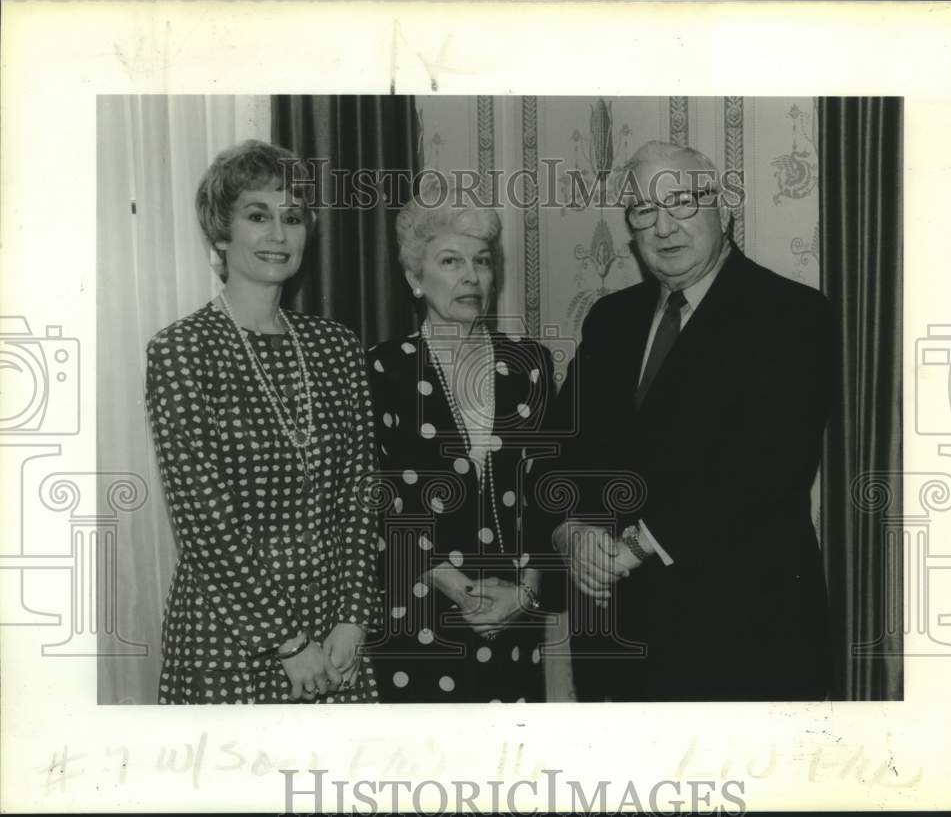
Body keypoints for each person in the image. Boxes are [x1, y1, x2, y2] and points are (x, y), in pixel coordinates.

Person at [552, 141, 835, 701]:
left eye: (681, 202)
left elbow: (765, 471)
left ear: (722, 207)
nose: (664, 227)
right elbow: (563, 447)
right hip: (619, 647)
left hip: (742, 642)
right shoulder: (611, 320)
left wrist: (631, 548)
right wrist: (570, 532)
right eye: (644, 211)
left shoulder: (792, 315)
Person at [145, 140, 380, 704]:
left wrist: (352, 618)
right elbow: (203, 519)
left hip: (334, 630)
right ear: (221, 234)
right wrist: (286, 641)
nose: (279, 233)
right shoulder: (182, 349)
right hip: (230, 631)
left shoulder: (336, 346)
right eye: (258, 215)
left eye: (292, 217)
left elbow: (361, 490)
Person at [365, 177, 557, 703]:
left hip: (513, 611)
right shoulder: (382, 369)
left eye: (483, 260)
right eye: (451, 261)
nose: (472, 277)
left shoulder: (530, 365)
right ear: (414, 276)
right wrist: (448, 581)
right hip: (419, 608)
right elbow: (375, 500)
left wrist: (527, 589)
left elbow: (550, 492)